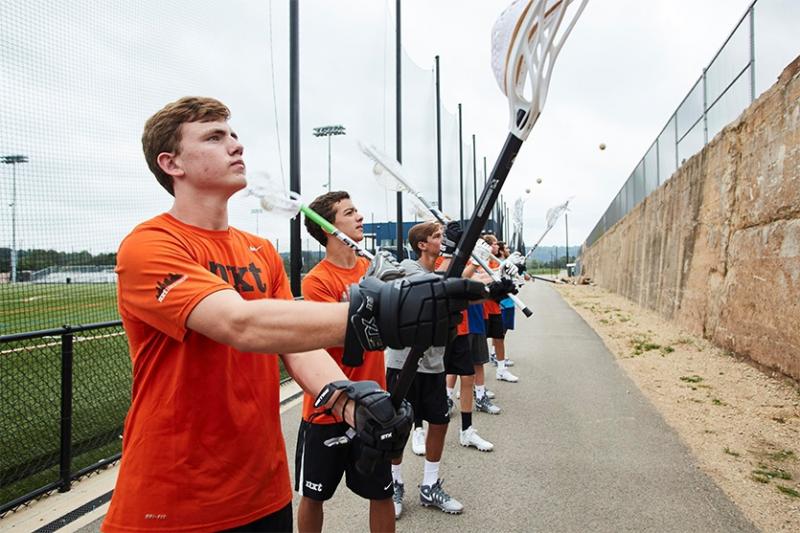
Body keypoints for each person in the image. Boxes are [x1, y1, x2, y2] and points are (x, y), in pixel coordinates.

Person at [102, 96, 483, 533]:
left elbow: (298, 348)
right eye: (214, 137)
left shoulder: (260, 251)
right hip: (171, 502)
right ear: (171, 163)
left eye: (234, 134)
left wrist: (351, 405)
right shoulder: (149, 244)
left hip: (263, 491)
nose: (236, 145)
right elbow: (238, 323)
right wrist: (380, 314)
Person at [295, 191, 398, 533]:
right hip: (327, 408)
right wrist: (362, 313)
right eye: (350, 212)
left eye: (357, 209)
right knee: (314, 496)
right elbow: (331, 337)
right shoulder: (316, 281)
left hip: (374, 404)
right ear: (328, 227)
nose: (360, 217)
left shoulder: (373, 270)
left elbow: (391, 327)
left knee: (382, 494)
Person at [386, 222, 465, 518]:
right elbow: (437, 288)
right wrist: (464, 269)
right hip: (403, 364)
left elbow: (456, 290)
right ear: (422, 244)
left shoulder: (437, 274)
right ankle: (395, 484)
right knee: (397, 427)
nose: (441, 241)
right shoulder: (408, 270)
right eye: (437, 237)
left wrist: (492, 289)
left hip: (433, 364)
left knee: (439, 421)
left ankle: (430, 485)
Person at [483, 235, 519, 383]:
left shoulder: (494, 261)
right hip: (482, 307)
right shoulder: (480, 261)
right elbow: (483, 277)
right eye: (494, 244)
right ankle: (472, 385)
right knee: (477, 345)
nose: (497, 246)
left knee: (499, 338)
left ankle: (501, 370)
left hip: (495, 307)